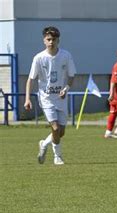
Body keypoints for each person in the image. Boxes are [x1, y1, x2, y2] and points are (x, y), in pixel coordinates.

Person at [24, 26, 76, 165]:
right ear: (44, 41)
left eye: (54, 39)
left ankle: (44, 144)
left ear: (58, 40)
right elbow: (31, 79)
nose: (51, 42)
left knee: (61, 133)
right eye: (48, 39)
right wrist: (27, 98)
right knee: (55, 128)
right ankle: (57, 157)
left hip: (61, 98)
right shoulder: (39, 58)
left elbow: (71, 75)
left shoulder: (66, 56)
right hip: (46, 98)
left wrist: (66, 88)